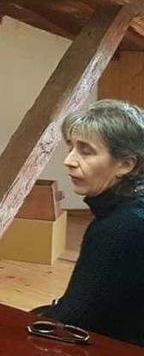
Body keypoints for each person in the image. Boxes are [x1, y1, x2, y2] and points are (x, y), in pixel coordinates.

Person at [41, 99, 144, 346]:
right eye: (72, 147)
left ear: (126, 164)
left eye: (85, 151)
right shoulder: (128, 211)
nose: (69, 160)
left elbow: (75, 320)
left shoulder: (121, 227)